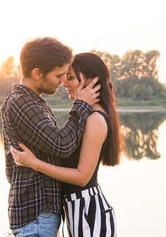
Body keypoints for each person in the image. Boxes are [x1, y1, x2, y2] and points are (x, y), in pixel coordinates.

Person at [11, 52, 123, 237]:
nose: (64, 82)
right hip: (77, 209)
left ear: (91, 81)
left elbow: (82, 177)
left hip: (88, 212)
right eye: (63, 77)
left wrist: (35, 164)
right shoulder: (87, 115)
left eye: (70, 77)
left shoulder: (95, 119)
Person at [0, 37, 101, 237]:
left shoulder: (35, 103)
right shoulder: (21, 103)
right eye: (59, 75)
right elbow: (62, 144)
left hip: (39, 216)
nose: (63, 81)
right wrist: (82, 105)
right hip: (35, 216)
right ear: (37, 73)